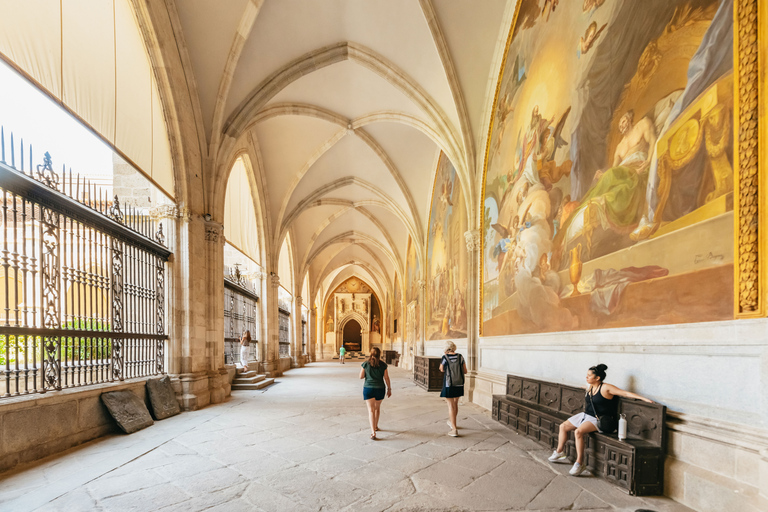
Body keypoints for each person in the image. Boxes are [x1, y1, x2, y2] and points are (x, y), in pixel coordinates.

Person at [548, 364, 653, 476]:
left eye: (589, 375)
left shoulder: (606, 388)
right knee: (563, 426)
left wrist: (644, 399)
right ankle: (560, 452)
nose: (586, 377)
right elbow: (583, 387)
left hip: (597, 419)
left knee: (579, 432)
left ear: (597, 378)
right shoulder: (590, 386)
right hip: (585, 415)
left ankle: (579, 463)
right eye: (586, 375)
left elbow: (625, 393)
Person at [359, 347, 391, 439]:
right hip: (380, 388)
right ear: (379, 354)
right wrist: (389, 388)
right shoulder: (383, 365)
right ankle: (376, 426)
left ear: (371, 354)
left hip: (368, 388)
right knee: (377, 409)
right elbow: (386, 378)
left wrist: (368, 374)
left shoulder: (365, 364)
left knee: (371, 410)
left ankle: (373, 432)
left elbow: (361, 376)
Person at [440, 341, 468, 437]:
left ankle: (454, 429)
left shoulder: (445, 357)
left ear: (446, 349)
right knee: (455, 403)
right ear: (453, 348)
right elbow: (465, 371)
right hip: (459, 383)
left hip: (449, 384)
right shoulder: (460, 357)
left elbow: (441, 369)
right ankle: (452, 422)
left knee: (450, 405)